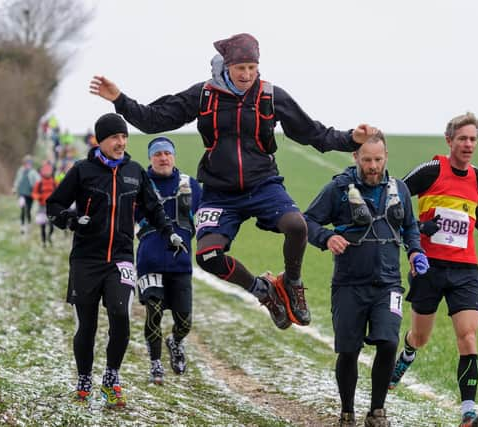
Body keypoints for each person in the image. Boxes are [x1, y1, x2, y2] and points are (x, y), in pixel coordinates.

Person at [89, 32, 376, 330]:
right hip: (220, 193)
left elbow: (312, 133)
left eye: (252, 67)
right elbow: (154, 120)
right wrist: (119, 100)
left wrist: (349, 139)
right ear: (227, 66)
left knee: (296, 226)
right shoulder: (204, 95)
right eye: (241, 68)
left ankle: (291, 284)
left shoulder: (270, 95)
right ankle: (263, 292)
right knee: (208, 255)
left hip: (263, 184)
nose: (247, 74)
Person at [46, 113, 184, 407]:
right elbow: (54, 204)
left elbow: (153, 208)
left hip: (121, 258)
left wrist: (169, 232)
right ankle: (84, 379)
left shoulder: (134, 171)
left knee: (121, 316)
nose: (121, 142)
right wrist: (70, 219)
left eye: (124, 137)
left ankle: (111, 378)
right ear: (101, 140)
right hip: (86, 259)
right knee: (87, 324)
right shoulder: (82, 171)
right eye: (114, 138)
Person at [388, 112, 478, 427]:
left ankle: (468, 412)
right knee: (421, 336)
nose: (468, 144)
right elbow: (394, 198)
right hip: (429, 267)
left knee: (468, 336)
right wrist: (420, 227)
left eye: (473, 139)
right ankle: (407, 354)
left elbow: (469, 205)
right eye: (462, 139)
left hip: (465, 268)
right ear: (449, 140)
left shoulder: (477, 176)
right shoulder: (431, 170)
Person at [304, 132, 429, 427]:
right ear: (355, 158)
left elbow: (410, 227)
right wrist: (328, 237)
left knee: (388, 342)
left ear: (386, 156)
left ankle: (377, 411)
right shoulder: (338, 188)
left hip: (389, 284)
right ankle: (347, 412)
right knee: (349, 350)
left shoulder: (398, 189)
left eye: (378, 159)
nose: (373, 165)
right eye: (367, 159)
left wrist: (415, 252)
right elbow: (306, 221)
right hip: (349, 284)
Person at [135, 136, 202, 385]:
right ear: (150, 158)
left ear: (173, 156)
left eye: (167, 153)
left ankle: (175, 341)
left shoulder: (191, 185)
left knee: (184, 321)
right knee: (153, 311)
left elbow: (207, 217)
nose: (163, 158)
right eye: (157, 154)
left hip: (180, 262)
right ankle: (155, 365)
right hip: (149, 260)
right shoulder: (139, 184)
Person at [31, 161, 57, 247]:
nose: (47, 173)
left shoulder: (54, 182)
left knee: (52, 225)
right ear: (42, 172)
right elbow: (34, 193)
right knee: (42, 225)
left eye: (49, 171)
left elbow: (59, 192)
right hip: (42, 206)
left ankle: (49, 237)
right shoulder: (39, 183)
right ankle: (43, 241)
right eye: (45, 171)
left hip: (51, 207)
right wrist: (38, 197)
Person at [13, 154, 40, 234]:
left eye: (29, 162)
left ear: (31, 163)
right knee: (23, 209)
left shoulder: (33, 172)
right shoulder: (20, 171)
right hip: (21, 193)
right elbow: (17, 180)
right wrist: (14, 188)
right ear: (23, 163)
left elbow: (38, 182)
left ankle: (28, 224)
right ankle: (22, 226)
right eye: (26, 162)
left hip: (30, 194)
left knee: (28, 210)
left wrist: (37, 190)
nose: (27, 164)